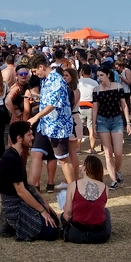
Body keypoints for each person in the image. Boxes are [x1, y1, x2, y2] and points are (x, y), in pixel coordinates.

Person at [0, 121, 59, 242]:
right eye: (29, 135)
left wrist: (44, 203)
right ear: (19, 138)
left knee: (54, 220)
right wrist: (42, 210)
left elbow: (28, 184)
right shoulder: (10, 158)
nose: (33, 137)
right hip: (15, 205)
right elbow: (22, 192)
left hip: (21, 200)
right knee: (51, 232)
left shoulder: (17, 155)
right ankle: (8, 221)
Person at [27, 54, 77, 189]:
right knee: (35, 153)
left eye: (35, 71)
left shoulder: (57, 80)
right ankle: (31, 190)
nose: (35, 74)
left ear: (41, 67)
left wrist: (36, 117)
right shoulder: (45, 80)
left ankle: (74, 190)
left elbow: (53, 104)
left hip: (58, 127)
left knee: (63, 159)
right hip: (44, 126)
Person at [92, 66, 131, 190]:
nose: (99, 78)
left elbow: (124, 105)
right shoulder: (96, 90)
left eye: (101, 75)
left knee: (118, 152)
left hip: (117, 120)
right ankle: (113, 180)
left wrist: (128, 122)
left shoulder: (118, 87)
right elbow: (95, 108)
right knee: (108, 153)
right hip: (102, 121)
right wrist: (93, 125)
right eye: (98, 76)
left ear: (108, 75)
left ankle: (117, 170)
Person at [62, 154, 112, 243]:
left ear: (85, 168)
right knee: (106, 211)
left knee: (63, 215)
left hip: (77, 234)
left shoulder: (73, 185)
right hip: (99, 236)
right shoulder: (105, 187)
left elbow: (67, 214)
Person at [77, 64, 100, 153]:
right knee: (91, 128)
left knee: (79, 128)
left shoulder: (78, 82)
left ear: (82, 72)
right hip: (91, 106)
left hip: (80, 106)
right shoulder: (95, 83)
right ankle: (92, 149)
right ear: (90, 72)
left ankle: (78, 148)